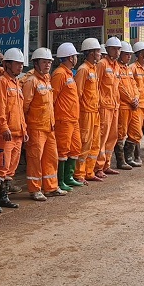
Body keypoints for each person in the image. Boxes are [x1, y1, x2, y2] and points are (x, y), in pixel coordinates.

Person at [0, 48, 28, 211]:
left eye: (21, 63)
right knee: (0, 167)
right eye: (17, 63)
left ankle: (3, 197)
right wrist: (3, 127)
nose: (20, 66)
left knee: (10, 168)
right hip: (4, 135)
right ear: (7, 64)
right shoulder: (1, 83)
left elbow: (19, 109)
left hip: (16, 134)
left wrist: (24, 130)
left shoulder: (16, 83)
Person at [22, 48, 60, 200]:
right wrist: (24, 127)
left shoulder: (47, 79)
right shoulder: (31, 81)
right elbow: (24, 106)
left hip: (49, 127)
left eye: (49, 62)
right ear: (36, 63)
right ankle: (35, 189)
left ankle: (50, 187)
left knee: (51, 157)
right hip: (36, 127)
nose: (47, 65)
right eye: (44, 62)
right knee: (35, 160)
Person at [52, 42, 84, 190]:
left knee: (75, 147)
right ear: (70, 58)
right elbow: (53, 97)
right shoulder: (59, 74)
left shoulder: (69, 73)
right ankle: (60, 180)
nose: (76, 58)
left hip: (73, 118)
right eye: (75, 56)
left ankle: (69, 177)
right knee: (63, 150)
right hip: (63, 119)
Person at [75, 38, 102, 181]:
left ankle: (89, 172)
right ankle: (79, 174)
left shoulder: (94, 69)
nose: (99, 53)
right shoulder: (83, 70)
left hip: (95, 111)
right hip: (85, 113)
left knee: (95, 143)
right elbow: (78, 94)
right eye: (97, 51)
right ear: (90, 53)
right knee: (85, 143)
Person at [96, 37, 123, 175]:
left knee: (112, 137)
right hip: (104, 107)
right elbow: (96, 85)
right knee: (102, 137)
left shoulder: (117, 67)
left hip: (114, 106)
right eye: (114, 48)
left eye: (118, 49)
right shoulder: (102, 64)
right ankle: (98, 167)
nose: (117, 51)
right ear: (107, 50)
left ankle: (106, 164)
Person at [116, 41, 138, 169]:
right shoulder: (117, 68)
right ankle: (121, 160)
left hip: (132, 106)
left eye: (130, 54)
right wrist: (130, 99)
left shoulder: (128, 69)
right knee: (121, 133)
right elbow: (120, 87)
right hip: (123, 106)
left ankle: (129, 157)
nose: (129, 57)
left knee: (135, 132)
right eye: (126, 54)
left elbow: (134, 85)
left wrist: (136, 98)